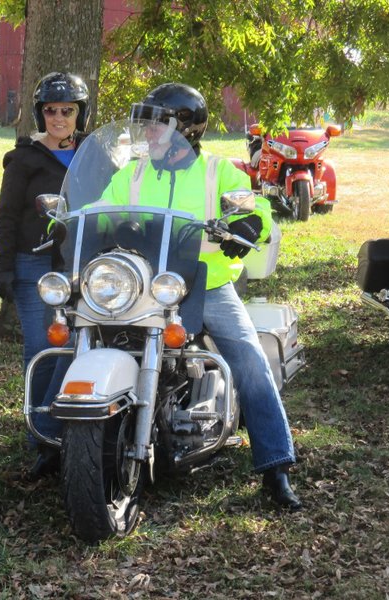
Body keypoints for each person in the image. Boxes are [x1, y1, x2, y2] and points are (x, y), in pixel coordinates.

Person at [99, 83, 303, 510]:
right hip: (143, 286)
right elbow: (96, 210)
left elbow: (256, 209)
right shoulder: (133, 174)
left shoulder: (217, 171)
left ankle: (275, 467)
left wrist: (250, 225)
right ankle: (76, 445)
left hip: (207, 284)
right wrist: (68, 224)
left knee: (249, 359)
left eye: (158, 126)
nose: (149, 134)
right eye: (146, 126)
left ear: (187, 129)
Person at [0, 72, 89, 480]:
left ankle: (69, 428)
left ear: (79, 113)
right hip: (34, 263)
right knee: (42, 349)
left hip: (80, 263)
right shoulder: (24, 157)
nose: (59, 118)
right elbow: (7, 215)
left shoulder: (92, 154)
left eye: (67, 110)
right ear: (41, 113)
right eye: (51, 110)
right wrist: (5, 268)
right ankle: (42, 441)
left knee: (81, 344)